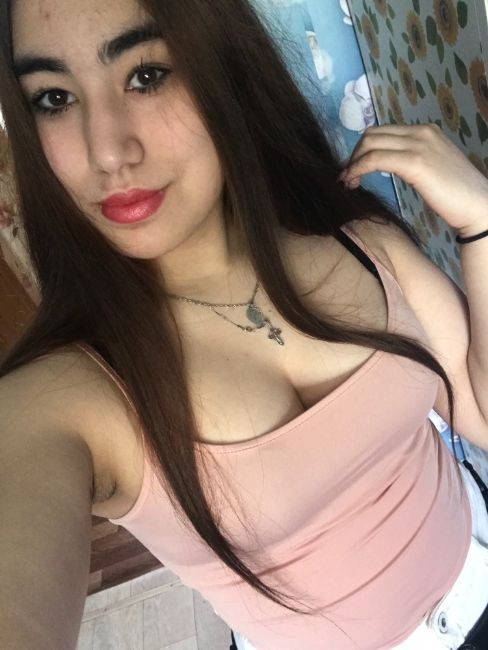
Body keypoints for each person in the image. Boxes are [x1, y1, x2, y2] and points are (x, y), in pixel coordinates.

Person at [1, 0, 488, 648]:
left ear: (223, 68)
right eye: (55, 98)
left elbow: (478, 407)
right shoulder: (65, 398)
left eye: (146, 75)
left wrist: (481, 221)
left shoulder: (359, 243)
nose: (108, 152)